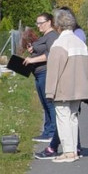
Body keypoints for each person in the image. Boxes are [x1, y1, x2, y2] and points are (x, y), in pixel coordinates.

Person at [44, 9, 88, 164]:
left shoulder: (59, 44)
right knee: (73, 118)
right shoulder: (80, 43)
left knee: (63, 119)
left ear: (57, 25)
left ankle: (68, 152)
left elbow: (53, 71)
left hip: (63, 89)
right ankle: (74, 151)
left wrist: (49, 92)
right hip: (80, 89)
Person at [23, 13, 58, 146]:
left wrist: (33, 59)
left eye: (40, 23)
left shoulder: (52, 36)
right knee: (44, 104)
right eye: (37, 23)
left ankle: (52, 133)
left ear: (49, 22)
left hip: (46, 72)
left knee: (49, 103)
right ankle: (47, 131)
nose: (38, 26)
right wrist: (33, 50)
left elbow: (51, 54)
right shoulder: (45, 37)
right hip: (38, 73)